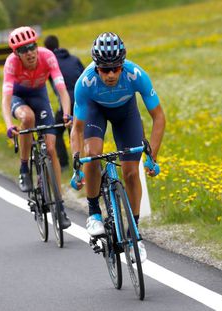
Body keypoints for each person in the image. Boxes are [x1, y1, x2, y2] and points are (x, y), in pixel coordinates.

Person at [70, 32, 166, 262]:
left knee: (132, 172)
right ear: (96, 67)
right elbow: (77, 129)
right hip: (96, 111)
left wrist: (152, 156)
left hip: (126, 113)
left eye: (116, 68)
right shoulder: (85, 83)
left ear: (122, 65)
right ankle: (94, 211)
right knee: (92, 154)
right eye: (105, 69)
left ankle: (135, 234)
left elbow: (159, 118)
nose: (111, 74)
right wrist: (77, 164)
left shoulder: (136, 74)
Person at [1, 26, 72, 228]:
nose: (29, 52)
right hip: (19, 97)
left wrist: (66, 113)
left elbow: (62, 91)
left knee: (51, 149)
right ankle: (24, 168)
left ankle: (60, 206)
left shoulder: (48, 56)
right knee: (28, 118)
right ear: (16, 53)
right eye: (23, 50)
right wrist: (8, 124)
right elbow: (5, 100)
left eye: (32, 46)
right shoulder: (11, 63)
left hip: (40, 97)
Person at [44, 35, 85, 169]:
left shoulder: (51, 63)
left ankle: (64, 163)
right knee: (79, 130)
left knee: (56, 130)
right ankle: (85, 162)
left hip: (67, 101)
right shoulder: (73, 58)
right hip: (83, 99)